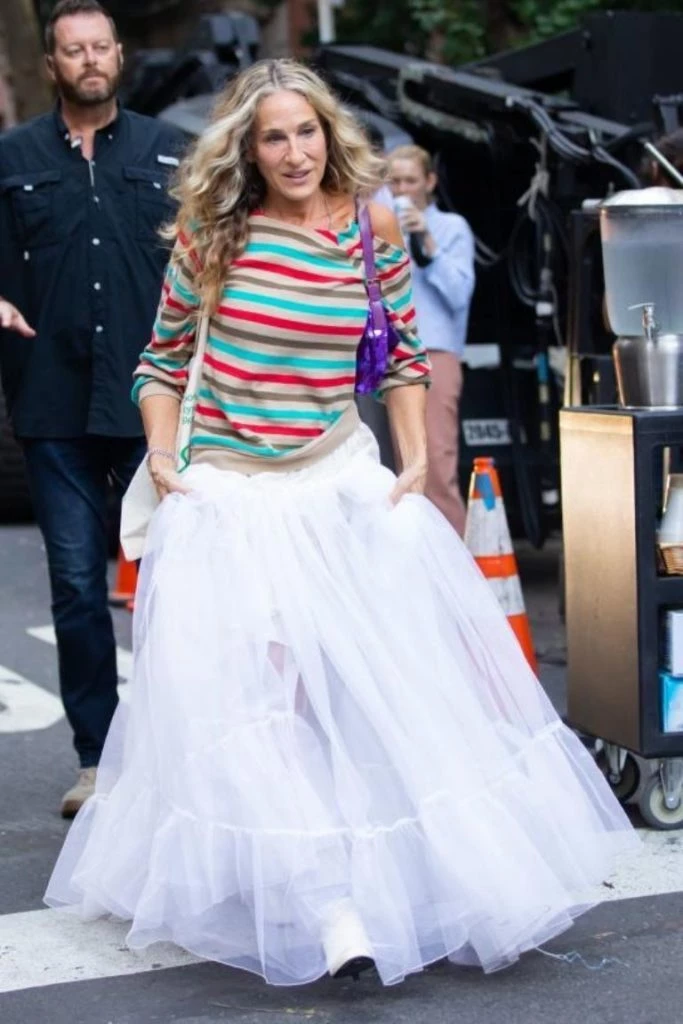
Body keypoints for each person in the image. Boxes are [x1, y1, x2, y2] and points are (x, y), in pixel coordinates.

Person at [45, 58, 637, 987]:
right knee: (256, 704)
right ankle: (330, 906)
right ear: (247, 149)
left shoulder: (370, 227)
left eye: (306, 132)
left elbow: (400, 356)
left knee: (375, 697)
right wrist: (164, 458)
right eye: (273, 137)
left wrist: (412, 463)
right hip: (229, 495)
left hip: (338, 484)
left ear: (330, 134)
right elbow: (160, 363)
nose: (293, 152)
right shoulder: (214, 232)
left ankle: (411, 876)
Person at [0, 0, 186, 817]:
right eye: (73, 50)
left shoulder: (169, 151)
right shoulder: (12, 158)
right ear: (52, 64)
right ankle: (97, 761)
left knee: (178, 587)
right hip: (53, 404)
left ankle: (180, 754)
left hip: (156, 404)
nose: (88, 60)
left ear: (119, 55)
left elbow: (211, 259)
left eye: (100, 46)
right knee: (77, 587)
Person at [385, 145, 475, 536]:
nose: (403, 189)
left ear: (430, 182)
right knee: (392, 471)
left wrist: (428, 243)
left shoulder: (452, 227)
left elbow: (460, 294)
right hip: (389, 357)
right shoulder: (380, 225)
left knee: (436, 465)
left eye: (410, 180)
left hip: (434, 354)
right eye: (395, 181)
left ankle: (455, 559)